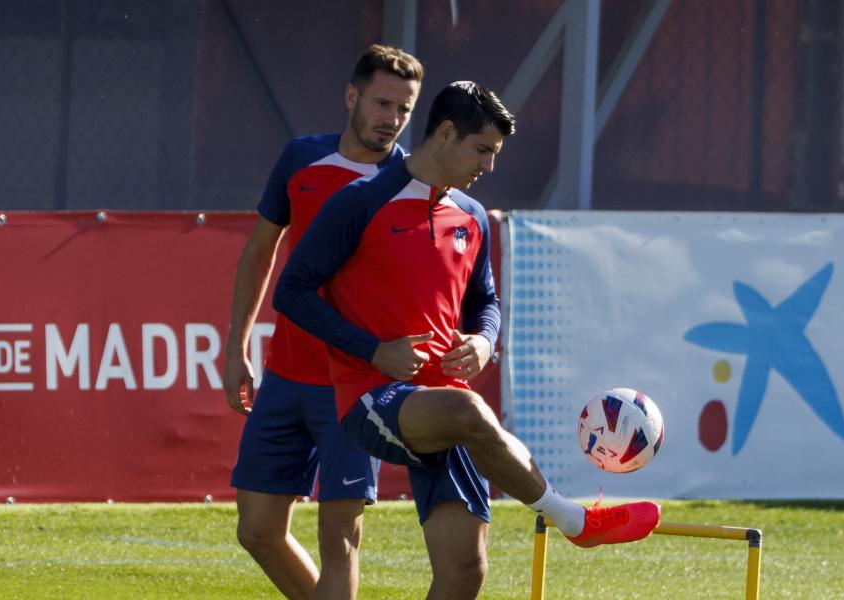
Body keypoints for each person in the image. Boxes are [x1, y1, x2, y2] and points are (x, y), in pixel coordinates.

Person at [274, 81, 661, 598]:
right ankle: (574, 522)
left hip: (444, 406)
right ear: (447, 132)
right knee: (470, 413)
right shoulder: (359, 202)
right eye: (483, 150)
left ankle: (568, 519)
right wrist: (373, 350)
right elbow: (292, 291)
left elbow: (487, 306)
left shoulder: (474, 217)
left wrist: (483, 342)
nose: (490, 165)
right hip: (371, 397)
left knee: (464, 573)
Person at [222, 44, 423, 600]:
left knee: (340, 539)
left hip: (356, 385)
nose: (392, 119)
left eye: (404, 110)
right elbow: (261, 251)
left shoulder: (411, 181)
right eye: (382, 103)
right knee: (258, 530)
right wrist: (236, 345)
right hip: (286, 373)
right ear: (351, 96)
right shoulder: (299, 159)